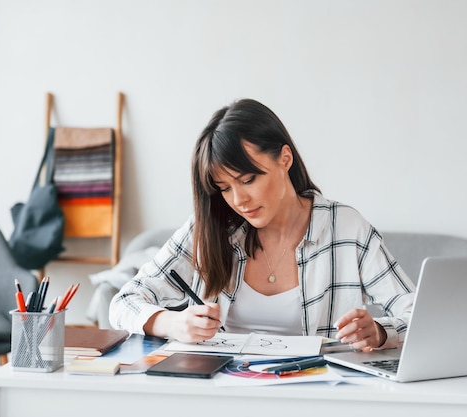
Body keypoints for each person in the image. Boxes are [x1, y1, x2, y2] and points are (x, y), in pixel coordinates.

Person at [109, 98, 415, 351]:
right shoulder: (210, 228)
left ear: (285, 158)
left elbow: (417, 314)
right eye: (224, 188)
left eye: (248, 180)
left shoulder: (346, 229)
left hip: (313, 395)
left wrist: (379, 332)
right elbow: (123, 303)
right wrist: (173, 323)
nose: (239, 200)